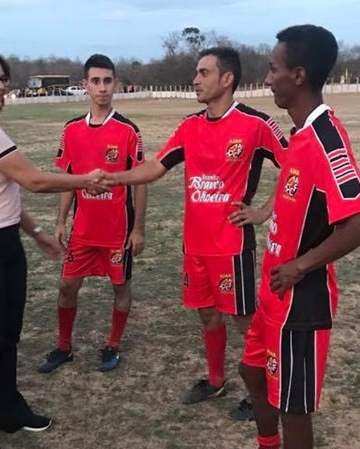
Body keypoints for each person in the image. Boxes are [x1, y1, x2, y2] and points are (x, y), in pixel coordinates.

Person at [223, 25, 360, 449]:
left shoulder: (326, 136)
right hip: (274, 292)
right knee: (252, 373)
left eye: (273, 69)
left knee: (293, 403)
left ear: (298, 73)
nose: (267, 78)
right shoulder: (297, 136)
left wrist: (301, 265)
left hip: (301, 299)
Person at [98, 47, 287, 411]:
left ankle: (263, 392)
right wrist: (114, 177)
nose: (195, 80)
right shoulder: (190, 126)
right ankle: (216, 381)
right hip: (195, 245)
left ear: (227, 79)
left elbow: (296, 165)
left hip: (231, 246)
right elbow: (155, 168)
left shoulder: (256, 124)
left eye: (203, 72)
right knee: (207, 313)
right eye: (196, 73)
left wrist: (263, 211)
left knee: (244, 319)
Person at [0, 47, 108, 449]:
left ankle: (9, 411)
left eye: (3, 79)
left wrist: (34, 233)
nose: (0, 86)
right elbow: (33, 180)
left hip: (2, 242)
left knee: (7, 335)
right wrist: (85, 180)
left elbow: (7, 191)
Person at [38, 54, 147, 374]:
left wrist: (138, 228)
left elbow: (141, 182)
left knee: (120, 289)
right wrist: (60, 220)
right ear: (84, 85)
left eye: (107, 80)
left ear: (116, 84)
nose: (102, 88)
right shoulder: (71, 129)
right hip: (83, 231)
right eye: (95, 81)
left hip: (117, 231)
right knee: (67, 287)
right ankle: (63, 347)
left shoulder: (128, 130)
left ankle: (112, 345)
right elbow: (68, 181)